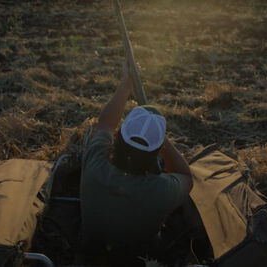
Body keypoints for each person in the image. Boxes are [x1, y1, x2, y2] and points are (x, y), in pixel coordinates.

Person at [80, 61, 193, 265]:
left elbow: (105, 124)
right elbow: (186, 178)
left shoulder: (94, 167)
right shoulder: (162, 191)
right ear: (156, 152)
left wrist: (126, 84)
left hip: (90, 254)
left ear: (119, 137)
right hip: (142, 259)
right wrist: (164, 142)